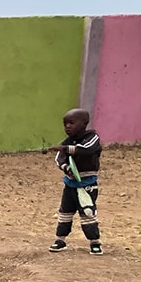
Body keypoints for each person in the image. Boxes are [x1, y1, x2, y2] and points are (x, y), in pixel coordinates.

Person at [46, 108, 103, 255]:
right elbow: (59, 158)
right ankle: (60, 240)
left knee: (88, 213)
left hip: (87, 184)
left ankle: (94, 242)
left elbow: (86, 149)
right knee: (65, 212)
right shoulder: (68, 142)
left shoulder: (92, 138)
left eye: (71, 123)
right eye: (65, 124)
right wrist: (66, 167)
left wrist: (65, 148)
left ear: (84, 123)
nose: (67, 127)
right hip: (70, 184)